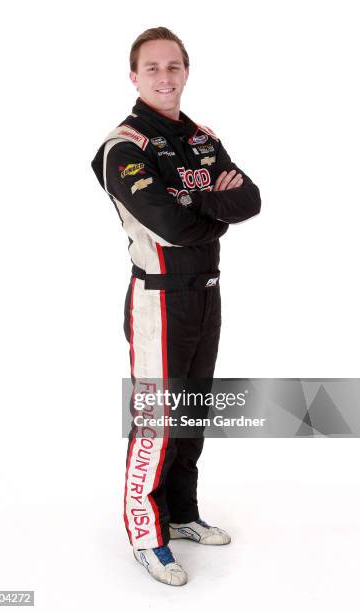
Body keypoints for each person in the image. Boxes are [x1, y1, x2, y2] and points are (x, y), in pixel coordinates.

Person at [91, 26, 261, 586]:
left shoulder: (202, 138)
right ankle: (146, 532)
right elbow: (170, 224)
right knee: (157, 421)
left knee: (192, 416)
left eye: (174, 66)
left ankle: (182, 514)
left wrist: (197, 202)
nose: (165, 77)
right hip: (158, 301)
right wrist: (213, 205)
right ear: (134, 76)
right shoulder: (123, 146)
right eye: (153, 68)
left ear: (186, 71)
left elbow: (250, 198)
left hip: (207, 294)